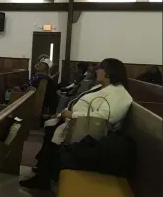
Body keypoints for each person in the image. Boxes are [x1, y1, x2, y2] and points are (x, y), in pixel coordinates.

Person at [20, 58, 133, 190]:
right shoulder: (104, 87)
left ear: (109, 72)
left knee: (52, 135)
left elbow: (105, 117)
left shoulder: (119, 94)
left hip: (88, 133)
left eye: (100, 68)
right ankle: (42, 174)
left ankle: (44, 177)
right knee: (50, 132)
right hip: (75, 124)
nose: (97, 70)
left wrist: (72, 115)